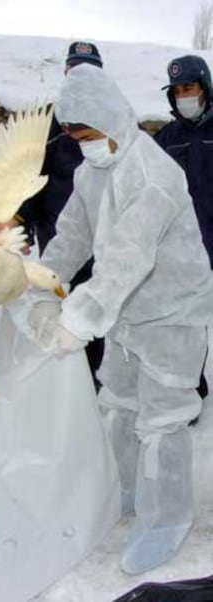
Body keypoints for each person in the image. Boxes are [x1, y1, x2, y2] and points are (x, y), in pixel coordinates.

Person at [28, 64, 213, 574]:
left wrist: (79, 318)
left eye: (87, 134)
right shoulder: (92, 172)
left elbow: (129, 255)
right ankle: (124, 494)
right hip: (127, 313)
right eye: (73, 136)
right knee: (120, 405)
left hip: (172, 311)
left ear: (111, 118)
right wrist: (39, 283)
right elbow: (72, 237)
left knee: (164, 419)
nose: (82, 144)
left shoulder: (155, 172)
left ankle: (167, 520)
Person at [19, 41, 105, 389]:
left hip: (99, 236)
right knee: (59, 304)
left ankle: (91, 378)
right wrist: (22, 225)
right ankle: (64, 379)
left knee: (93, 304)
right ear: (65, 74)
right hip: (55, 235)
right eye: (74, 70)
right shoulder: (47, 123)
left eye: (89, 71)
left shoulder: (109, 120)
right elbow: (29, 177)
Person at [155, 55, 213, 400]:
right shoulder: (167, 137)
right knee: (187, 321)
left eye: (188, 87)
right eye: (176, 90)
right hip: (187, 249)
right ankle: (190, 387)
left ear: (204, 87)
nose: (182, 95)